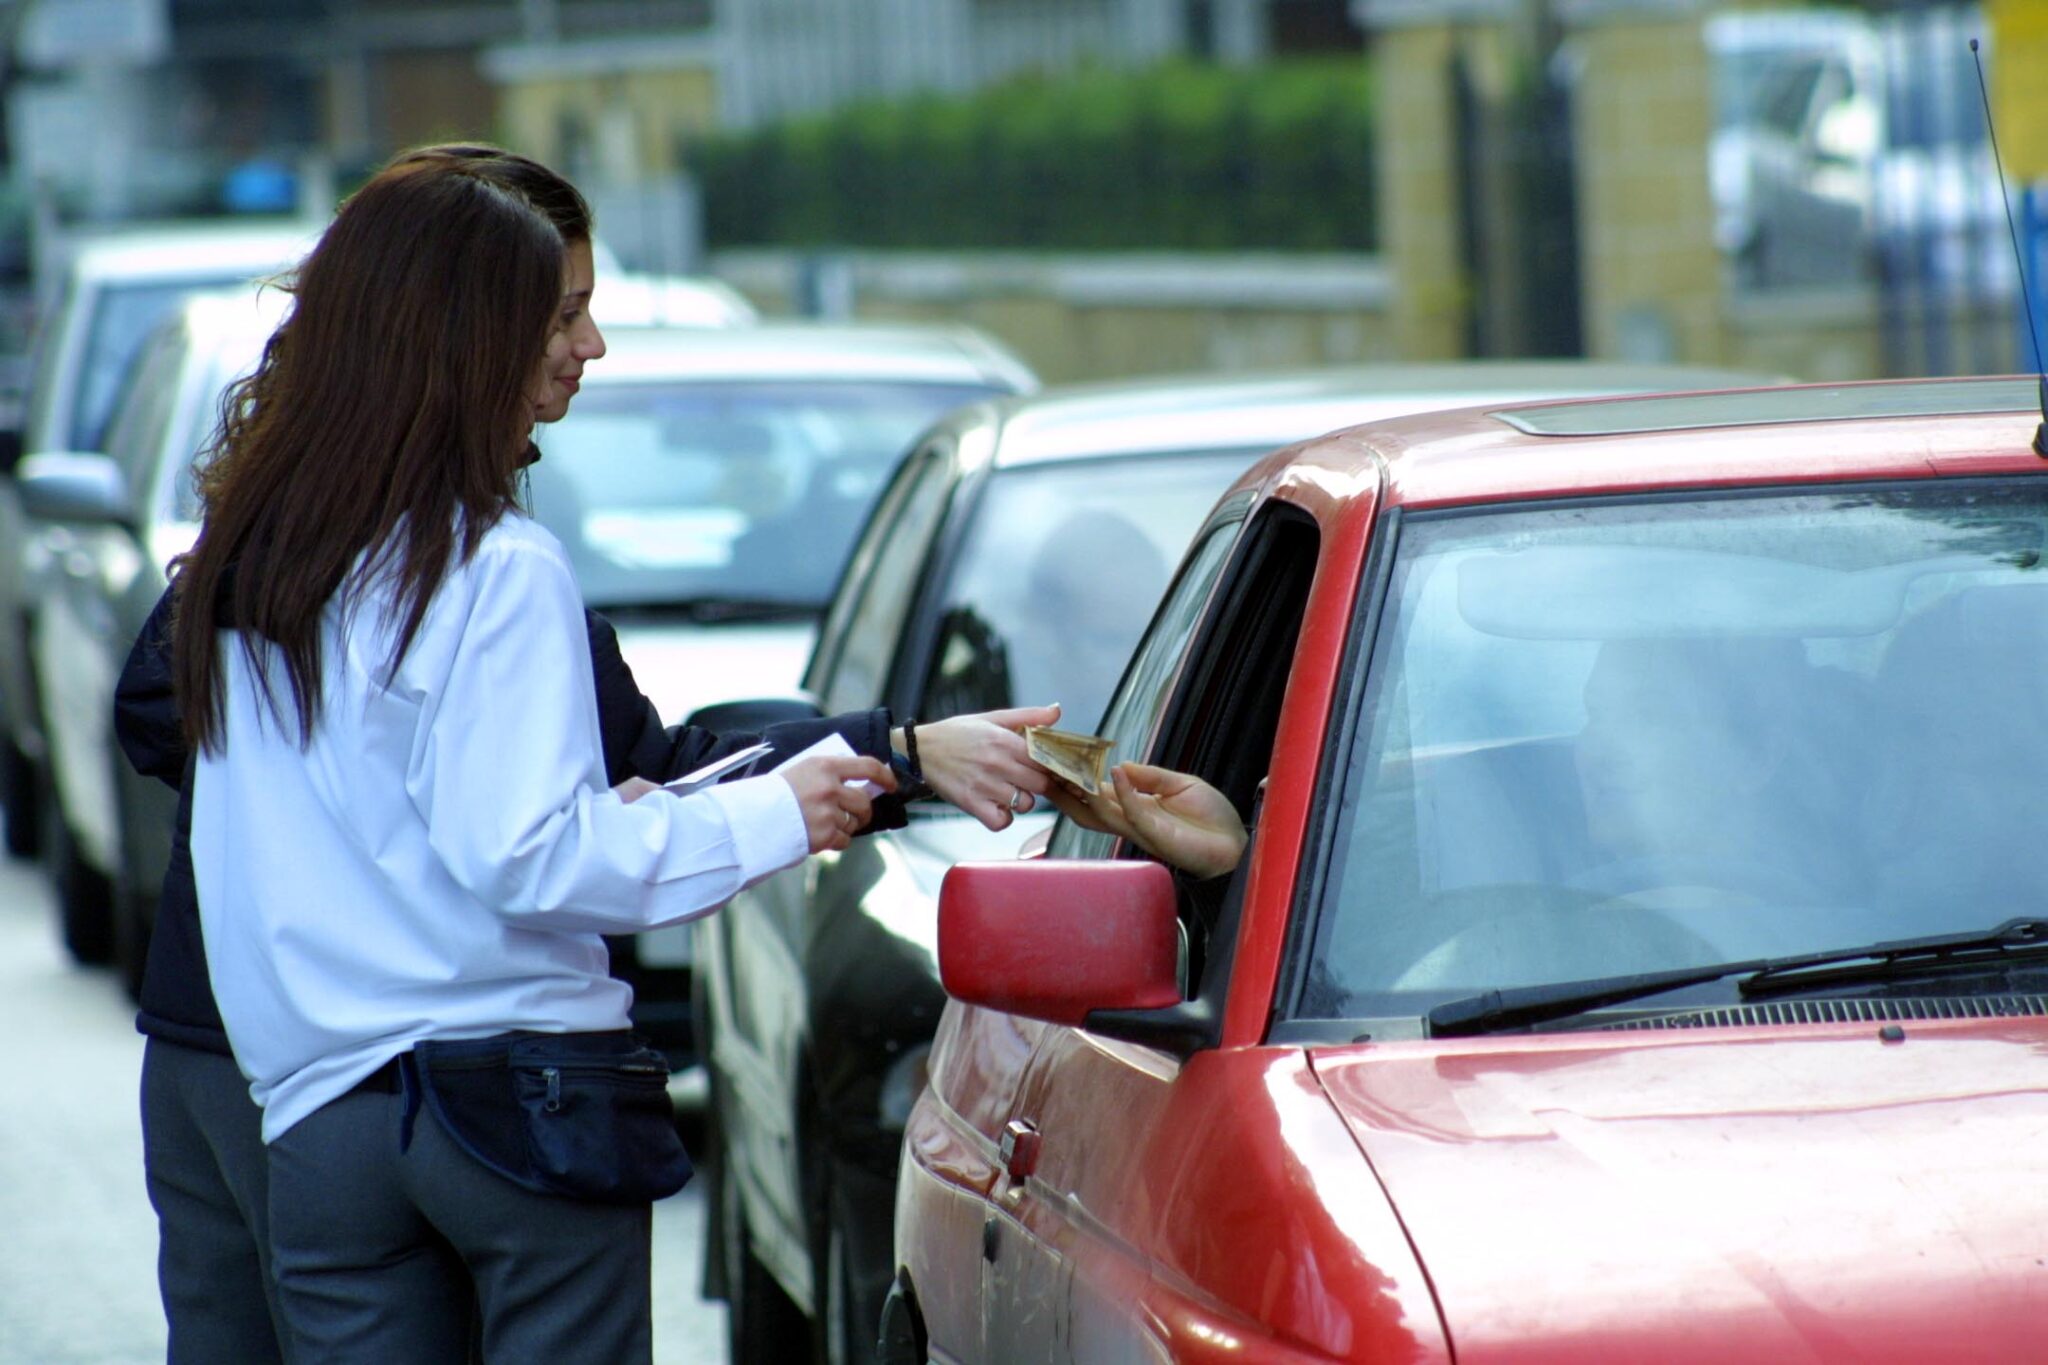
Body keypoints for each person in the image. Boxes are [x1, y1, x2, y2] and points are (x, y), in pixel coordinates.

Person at [135, 144, 1050, 1365]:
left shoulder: (243, 570)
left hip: (320, 1120)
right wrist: (776, 812)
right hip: (521, 1108)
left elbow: (261, 856)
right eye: (561, 314)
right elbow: (529, 854)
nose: (592, 346)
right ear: (466, 336)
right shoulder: (491, 564)